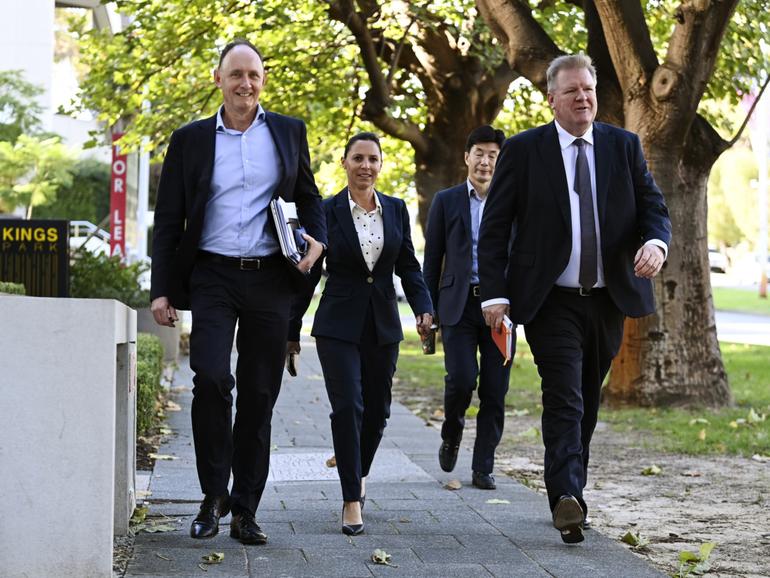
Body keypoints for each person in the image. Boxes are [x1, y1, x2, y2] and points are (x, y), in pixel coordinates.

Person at [478, 54, 671, 544]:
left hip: (607, 299)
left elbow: (652, 206)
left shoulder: (623, 146)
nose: (584, 98)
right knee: (563, 395)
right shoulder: (524, 151)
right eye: (572, 91)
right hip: (551, 300)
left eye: (589, 89)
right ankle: (566, 497)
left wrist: (655, 242)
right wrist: (495, 295)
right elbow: (496, 228)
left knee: (585, 398)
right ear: (552, 100)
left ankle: (571, 485)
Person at [150, 38, 327, 545]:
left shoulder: (289, 133)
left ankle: (246, 508)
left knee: (258, 393)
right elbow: (168, 220)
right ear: (218, 79)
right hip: (212, 275)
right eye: (235, 74)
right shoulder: (190, 140)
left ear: (263, 79)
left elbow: (309, 198)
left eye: (253, 74)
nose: (244, 84)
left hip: (271, 276)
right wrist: (163, 289)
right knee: (210, 379)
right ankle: (212, 496)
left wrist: (317, 241)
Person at [307, 132, 433, 535]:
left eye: (373, 159)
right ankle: (351, 498)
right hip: (337, 324)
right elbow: (310, 271)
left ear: (381, 165)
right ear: (344, 163)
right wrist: (291, 326)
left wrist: (424, 308)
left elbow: (409, 268)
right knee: (348, 408)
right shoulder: (325, 211)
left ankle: (353, 464)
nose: (366, 166)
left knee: (377, 413)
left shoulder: (396, 210)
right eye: (358, 158)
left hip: (382, 325)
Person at [422, 125, 511, 490]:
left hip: (501, 312)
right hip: (457, 304)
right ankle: (452, 432)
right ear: (467, 157)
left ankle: (483, 465)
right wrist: (426, 309)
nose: (486, 161)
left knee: (495, 389)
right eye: (480, 154)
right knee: (460, 380)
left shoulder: (512, 201)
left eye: (493, 155)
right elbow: (432, 260)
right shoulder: (446, 200)